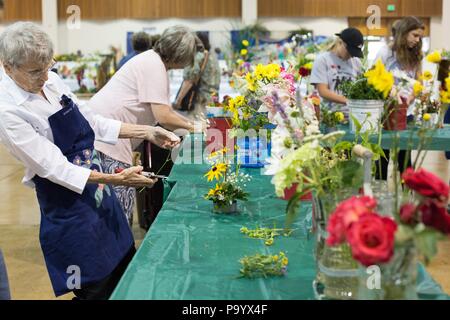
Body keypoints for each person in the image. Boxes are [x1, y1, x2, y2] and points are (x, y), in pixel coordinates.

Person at [0, 22, 180, 300]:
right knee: (94, 285)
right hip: (68, 205)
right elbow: (53, 167)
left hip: (100, 193)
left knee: (123, 268)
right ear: (7, 66)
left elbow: (92, 121)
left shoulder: (52, 79)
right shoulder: (8, 110)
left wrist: (147, 131)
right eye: (36, 71)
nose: (45, 76)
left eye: (48, 66)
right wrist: (117, 179)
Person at [89, 25, 198, 226]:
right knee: (120, 200)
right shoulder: (153, 65)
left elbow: (163, 111)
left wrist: (189, 123)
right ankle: (120, 252)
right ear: (181, 54)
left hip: (110, 133)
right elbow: (163, 116)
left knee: (117, 200)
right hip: (108, 137)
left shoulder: (151, 61)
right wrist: (194, 127)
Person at [374, 16, 425, 180]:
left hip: (406, 113)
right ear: (403, 33)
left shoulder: (416, 54)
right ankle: (379, 196)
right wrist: (389, 93)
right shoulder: (385, 52)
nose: (417, 40)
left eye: (420, 37)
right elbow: (374, 77)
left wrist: (411, 97)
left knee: (405, 159)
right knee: (382, 157)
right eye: (414, 35)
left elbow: (419, 81)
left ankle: (407, 195)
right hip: (384, 114)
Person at [310, 27, 364, 117]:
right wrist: (349, 101)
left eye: (354, 53)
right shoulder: (323, 60)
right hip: (330, 116)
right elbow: (323, 91)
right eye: (349, 51)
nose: (351, 55)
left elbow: (361, 86)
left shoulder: (356, 62)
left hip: (353, 115)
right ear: (340, 42)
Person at [174, 32, 221, 121]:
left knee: (197, 130)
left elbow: (189, 80)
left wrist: (178, 101)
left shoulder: (197, 57)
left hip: (199, 101)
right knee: (210, 128)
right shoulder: (213, 58)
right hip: (214, 100)